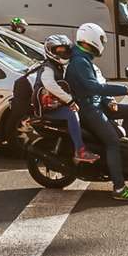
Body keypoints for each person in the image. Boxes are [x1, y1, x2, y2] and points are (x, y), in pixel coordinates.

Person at [66, 22, 128, 201]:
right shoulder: (79, 62)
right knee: (112, 142)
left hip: (97, 104)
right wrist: (124, 90)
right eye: (101, 40)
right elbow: (94, 87)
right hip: (88, 109)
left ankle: (124, 152)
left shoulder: (83, 58)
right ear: (91, 39)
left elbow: (99, 85)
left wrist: (109, 100)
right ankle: (119, 188)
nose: (102, 44)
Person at [30, 34, 94, 162]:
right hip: (47, 109)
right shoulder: (48, 68)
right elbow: (50, 85)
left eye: (65, 50)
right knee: (72, 113)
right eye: (59, 50)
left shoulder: (59, 66)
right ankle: (80, 150)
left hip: (56, 105)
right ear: (50, 51)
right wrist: (70, 100)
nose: (63, 53)